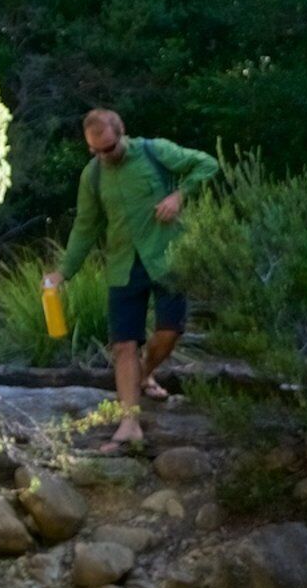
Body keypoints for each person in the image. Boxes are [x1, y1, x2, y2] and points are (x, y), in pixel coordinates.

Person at [49, 108, 221, 450]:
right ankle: (129, 423)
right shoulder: (93, 176)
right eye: (94, 151)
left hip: (167, 257)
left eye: (108, 149)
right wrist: (63, 272)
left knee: (169, 331)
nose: (103, 157)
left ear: (122, 133)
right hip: (123, 265)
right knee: (124, 344)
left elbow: (207, 164)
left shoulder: (155, 151)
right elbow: (85, 226)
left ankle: (144, 373)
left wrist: (179, 195)